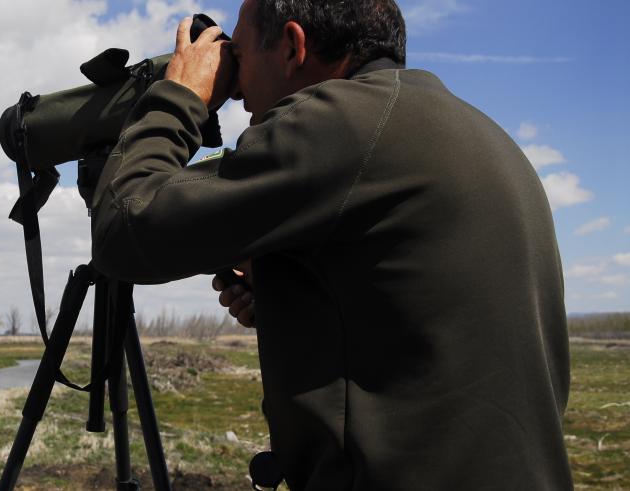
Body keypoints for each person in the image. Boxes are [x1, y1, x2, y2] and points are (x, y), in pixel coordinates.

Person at [90, 0, 573, 488]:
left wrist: (180, 94)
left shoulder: (341, 123)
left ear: (293, 47)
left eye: (238, 53)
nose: (235, 88)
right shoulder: (481, 133)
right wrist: (295, 302)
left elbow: (123, 229)